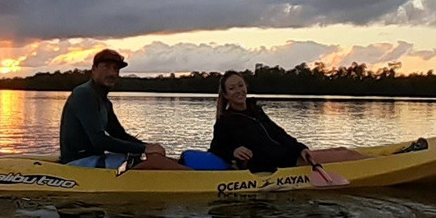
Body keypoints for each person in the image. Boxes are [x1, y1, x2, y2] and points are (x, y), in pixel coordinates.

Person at [208, 70, 373, 171]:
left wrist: (300, 148)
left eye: (240, 85)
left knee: (341, 149)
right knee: (347, 155)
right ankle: (388, 164)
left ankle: (384, 161)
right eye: (232, 88)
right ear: (225, 95)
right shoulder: (225, 121)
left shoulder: (255, 110)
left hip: (288, 154)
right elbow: (215, 149)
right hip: (277, 163)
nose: (238, 91)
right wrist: (233, 152)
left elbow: (278, 134)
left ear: (246, 86)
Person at [59, 49, 186, 170]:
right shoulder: (84, 94)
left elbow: (119, 135)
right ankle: (196, 181)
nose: (112, 73)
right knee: (155, 163)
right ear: (94, 69)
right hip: (77, 163)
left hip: (95, 159)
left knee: (161, 160)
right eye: (107, 67)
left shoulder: (104, 102)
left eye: (116, 69)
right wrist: (144, 149)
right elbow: (99, 141)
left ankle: (194, 173)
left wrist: (148, 147)